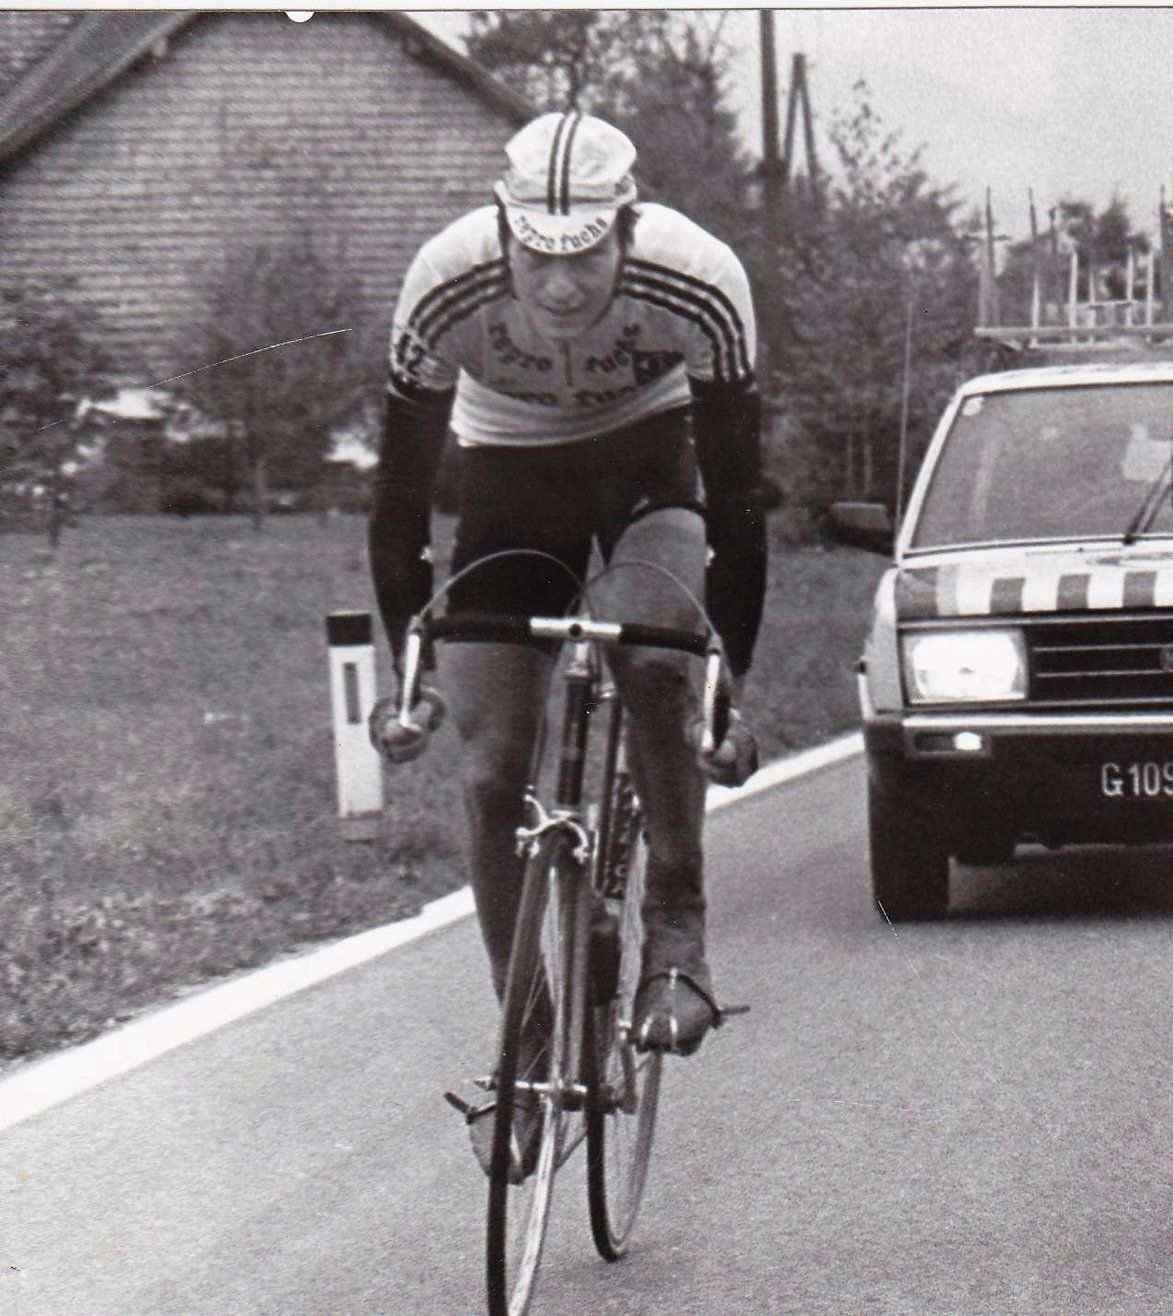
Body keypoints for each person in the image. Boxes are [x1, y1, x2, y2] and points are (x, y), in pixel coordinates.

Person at [364, 110, 766, 1170]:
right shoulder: (442, 282)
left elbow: (739, 501)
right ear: (500, 233)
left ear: (626, 229)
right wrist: (406, 667)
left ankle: (675, 925)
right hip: (506, 469)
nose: (558, 287)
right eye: (534, 258)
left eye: (584, 255)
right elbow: (400, 501)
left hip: (650, 457)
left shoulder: (702, 279)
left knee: (651, 656)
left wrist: (729, 680)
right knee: (492, 766)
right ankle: (525, 1039)